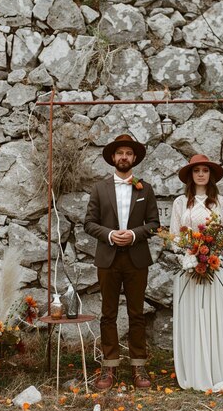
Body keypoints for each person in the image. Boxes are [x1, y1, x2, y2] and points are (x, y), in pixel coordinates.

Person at [84, 134, 160, 390]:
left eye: (128, 153)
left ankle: (138, 366)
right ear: (113, 158)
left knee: (137, 314)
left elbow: (154, 224)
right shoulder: (99, 188)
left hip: (137, 258)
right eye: (120, 153)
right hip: (108, 258)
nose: (124, 157)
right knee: (108, 314)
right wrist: (109, 234)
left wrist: (134, 234)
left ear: (134, 158)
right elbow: (89, 223)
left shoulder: (145, 188)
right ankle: (109, 367)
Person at [169, 154, 223, 392]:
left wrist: (212, 254)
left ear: (210, 174)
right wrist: (189, 255)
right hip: (189, 267)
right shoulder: (181, 203)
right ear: (190, 175)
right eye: (196, 170)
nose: (201, 174)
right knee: (192, 315)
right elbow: (174, 238)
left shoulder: (221, 203)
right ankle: (193, 371)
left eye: (205, 170)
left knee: (212, 315)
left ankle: (215, 370)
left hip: (213, 265)